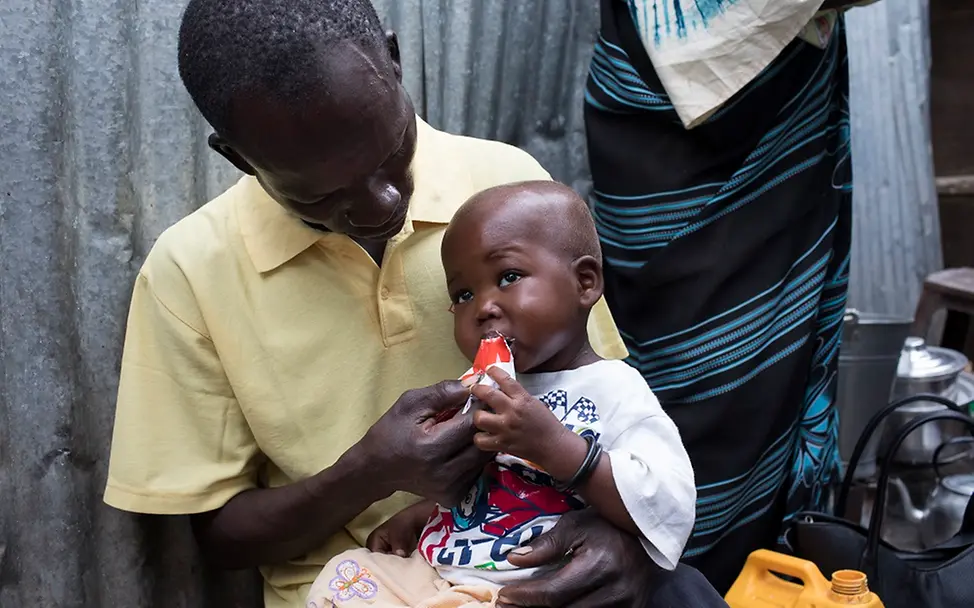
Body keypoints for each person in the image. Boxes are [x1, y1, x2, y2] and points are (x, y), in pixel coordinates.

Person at [102, 1, 725, 606]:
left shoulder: (507, 193)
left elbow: (605, 409)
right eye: (321, 196)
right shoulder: (188, 274)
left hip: (539, 562)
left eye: (391, 151)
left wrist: (630, 547)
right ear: (239, 158)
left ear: (394, 63)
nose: (382, 204)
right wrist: (370, 472)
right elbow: (219, 539)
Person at [583, 0, 873, 593]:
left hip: (778, 86)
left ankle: (767, 580)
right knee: (668, 363)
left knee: (772, 356)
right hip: (650, 100)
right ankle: (671, 570)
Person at [305, 181, 696, 607]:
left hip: (521, 586)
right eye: (463, 294)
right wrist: (420, 516)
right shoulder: (483, 384)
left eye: (508, 277)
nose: (483, 307)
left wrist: (555, 447)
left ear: (585, 283)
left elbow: (668, 505)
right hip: (440, 571)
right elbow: (486, 487)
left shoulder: (615, 389)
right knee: (346, 576)